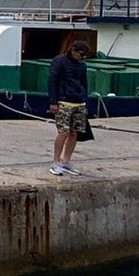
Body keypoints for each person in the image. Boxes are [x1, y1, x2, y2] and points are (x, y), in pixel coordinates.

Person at [47, 39, 91, 176]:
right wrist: (53, 102)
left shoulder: (82, 66)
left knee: (74, 133)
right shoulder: (59, 61)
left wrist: (85, 101)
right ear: (73, 50)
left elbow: (84, 84)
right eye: (81, 54)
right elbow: (52, 80)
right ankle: (56, 162)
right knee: (63, 132)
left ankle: (66, 161)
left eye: (85, 56)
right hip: (63, 101)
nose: (83, 58)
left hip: (79, 102)